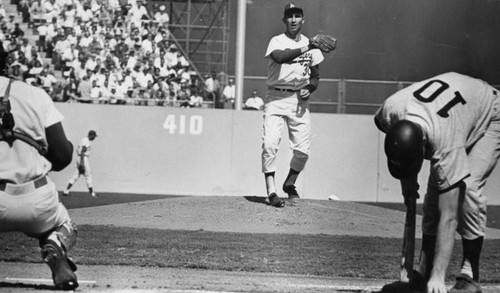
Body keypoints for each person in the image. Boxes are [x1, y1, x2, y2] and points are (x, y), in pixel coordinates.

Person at [374, 72, 500, 293]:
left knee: (467, 190)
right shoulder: (390, 110)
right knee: (432, 199)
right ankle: (422, 274)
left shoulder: (445, 141)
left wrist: (439, 279)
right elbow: (403, 153)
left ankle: (469, 275)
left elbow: (449, 216)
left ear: (424, 144)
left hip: (491, 112)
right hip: (456, 108)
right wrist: (408, 188)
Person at [0, 40, 79, 290]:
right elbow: (63, 156)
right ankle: (55, 244)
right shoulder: (35, 94)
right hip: (38, 200)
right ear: (6, 64)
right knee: (65, 226)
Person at [262, 3, 325, 208]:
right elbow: (280, 57)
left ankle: (289, 184)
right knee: (270, 144)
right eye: (290, 16)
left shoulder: (310, 45)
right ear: (284, 20)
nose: (294, 19)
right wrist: (309, 47)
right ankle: (271, 191)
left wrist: (310, 88)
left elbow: (315, 77)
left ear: (302, 20)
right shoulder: (277, 41)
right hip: (276, 97)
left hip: (299, 100)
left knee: (303, 151)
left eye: (297, 16)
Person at [62, 130, 98, 198]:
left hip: (79, 158)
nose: (94, 138)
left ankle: (66, 191)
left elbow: (77, 150)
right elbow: (82, 151)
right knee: (88, 175)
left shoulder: (83, 140)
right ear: (92, 135)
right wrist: (82, 163)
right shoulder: (86, 141)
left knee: (75, 176)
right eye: (94, 136)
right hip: (83, 158)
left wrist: (79, 160)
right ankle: (92, 193)